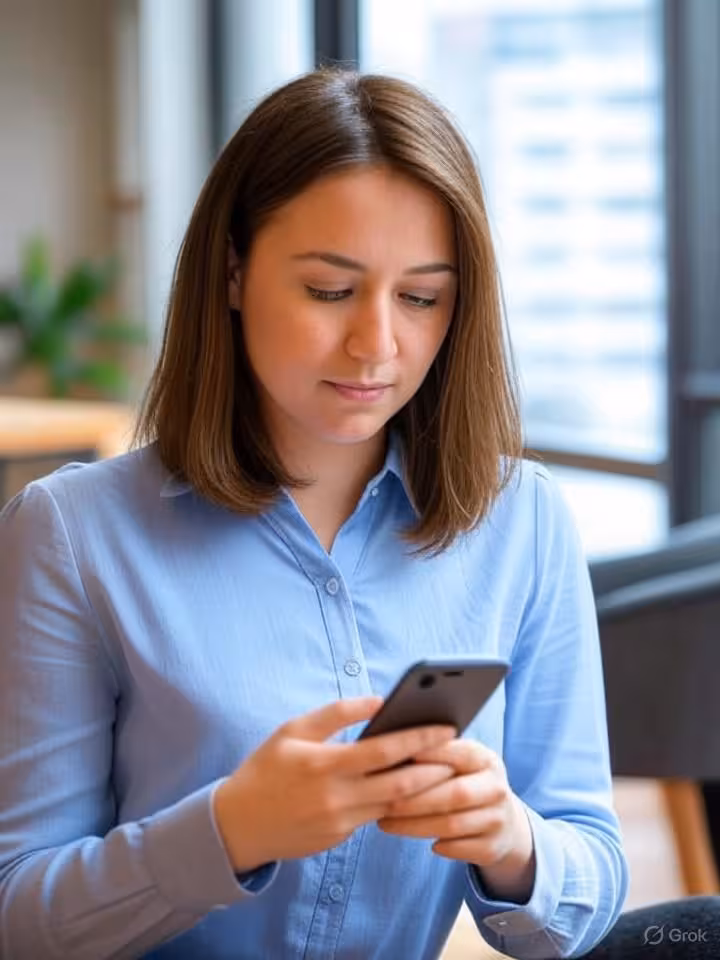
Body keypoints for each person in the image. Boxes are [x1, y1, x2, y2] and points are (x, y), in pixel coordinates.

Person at [0, 69, 628, 959]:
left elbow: (589, 877)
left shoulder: (522, 521)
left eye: (421, 298)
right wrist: (228, 830)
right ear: (232, 271)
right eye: (330, 291)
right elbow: (17, 915)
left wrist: (512, 842)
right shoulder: (72, 534)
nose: (378, 344)